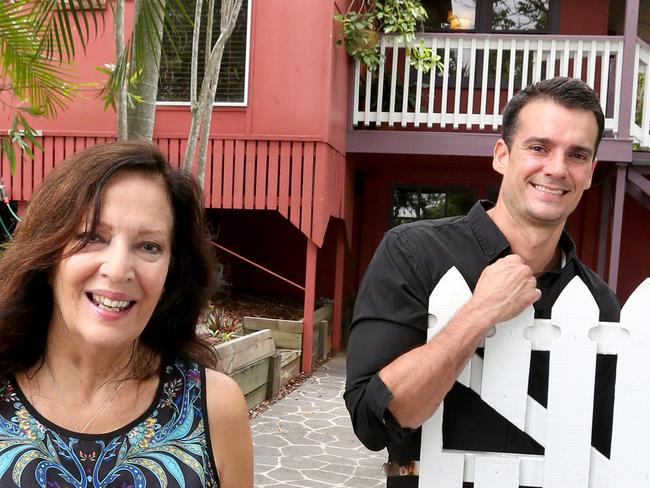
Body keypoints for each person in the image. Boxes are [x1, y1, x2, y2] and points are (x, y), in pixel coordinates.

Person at [345, 77, 621, 487]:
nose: (557, 168)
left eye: (577, 155)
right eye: (539, 147)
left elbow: (601, 447)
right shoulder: (413, 254)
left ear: (590, 173)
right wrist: (478, 313)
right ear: (502, 156)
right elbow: (373, 420)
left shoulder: (599, 306)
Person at [0, 141, 253, 487]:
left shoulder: (214, 408)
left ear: (170, 274)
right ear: (48, 257)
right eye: (92, 237)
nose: (119, 270)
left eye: (149, 246)